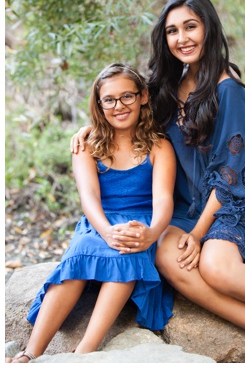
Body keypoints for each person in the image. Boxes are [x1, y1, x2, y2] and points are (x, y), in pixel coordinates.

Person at [72, 0, 245, 363]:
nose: (182, 38)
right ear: (163, 39)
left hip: (229, 204)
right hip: (183, 206)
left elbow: (230, 173)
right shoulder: (166, 86)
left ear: (208, 28)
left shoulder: (227, 88)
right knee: (168, 259)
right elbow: (123, 104)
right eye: (172, 31)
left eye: (190, 27)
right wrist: (92, 127)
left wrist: (198, 235)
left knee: (215, 266)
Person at [7, 64, 175, 363]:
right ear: (99, 104)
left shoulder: (158, 146)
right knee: (79, 254)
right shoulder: (87, 145)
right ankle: (32, 351)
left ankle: (86, 349)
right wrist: (106, 230)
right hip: (100, 219)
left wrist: (151, 233)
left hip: (141, 220)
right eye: (108, 100)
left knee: (128, 251)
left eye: (127, 97)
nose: (119, 106)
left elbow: (163, 199)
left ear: (143, 97)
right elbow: (89, 198)